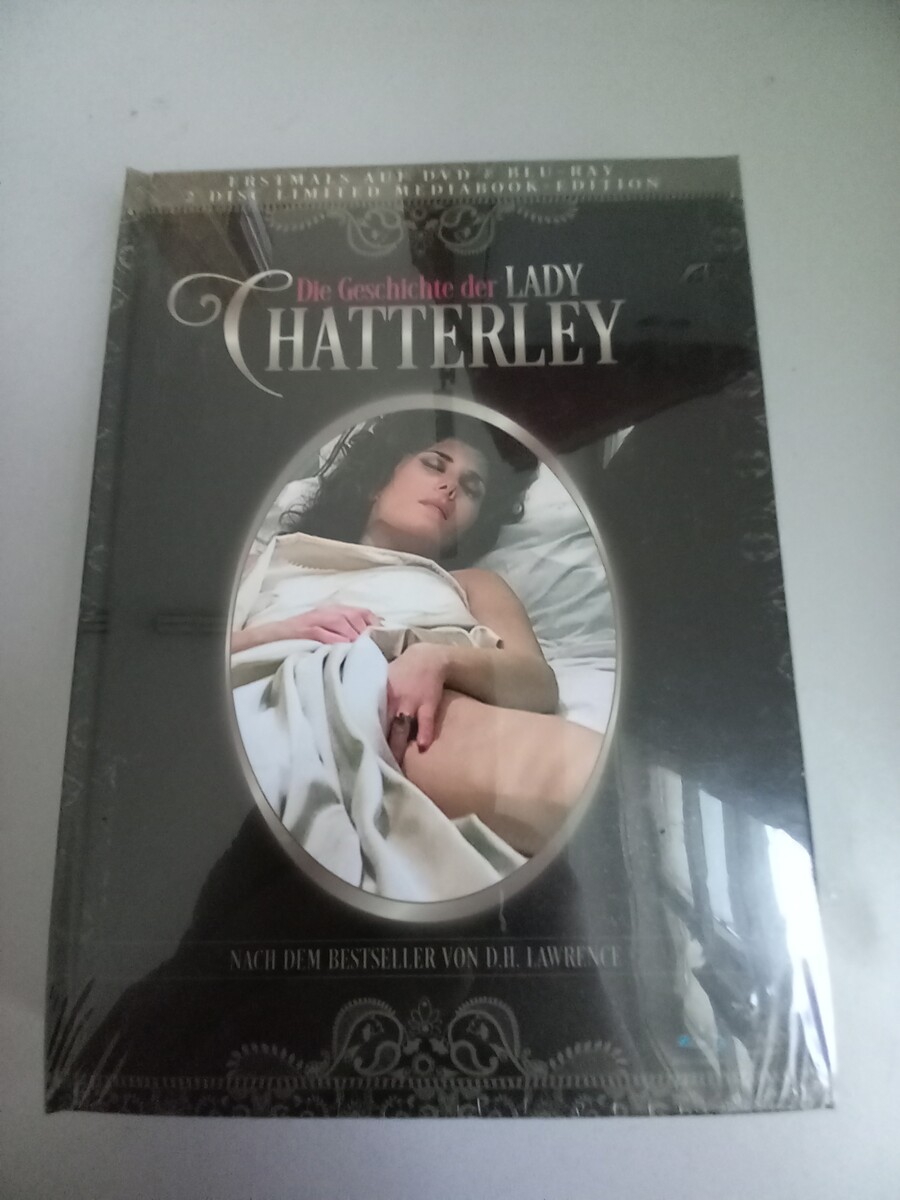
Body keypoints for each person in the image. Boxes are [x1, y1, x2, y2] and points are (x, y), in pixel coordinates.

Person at [231, 410, 602, 886]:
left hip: (415, 723)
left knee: (590, 782)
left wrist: (438, 659)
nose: (450, 487)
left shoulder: (474, 583)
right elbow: (183, 660)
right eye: (434, 464)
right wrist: (283, 631)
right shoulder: (272, 559)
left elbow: (537, 684)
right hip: (262, 700)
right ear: (376, 482)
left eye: (472, 488)